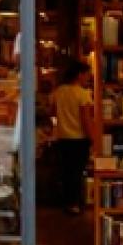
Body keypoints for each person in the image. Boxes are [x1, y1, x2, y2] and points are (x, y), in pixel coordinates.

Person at [51, 61, 94, 215]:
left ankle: (67, 202)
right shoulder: (83, 94)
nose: (88, 78)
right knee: (77, 172)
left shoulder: (58, 92)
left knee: (66, 172)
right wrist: (93, 138)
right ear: (79, 75)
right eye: (87, 75)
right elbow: (86, 119)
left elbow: (53, 113)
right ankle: (75, 204)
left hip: (62, 138)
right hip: (79, 139)